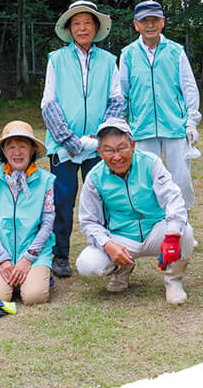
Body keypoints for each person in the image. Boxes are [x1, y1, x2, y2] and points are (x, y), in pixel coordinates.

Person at [40, 0, 124, 278]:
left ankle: (102, 251)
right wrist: (71, 140)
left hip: (98, 146)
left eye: (87, 22)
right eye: (76, 23)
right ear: (69, 28)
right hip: (63, 147)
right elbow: (49, 104)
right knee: (62, 201)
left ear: (96, 27)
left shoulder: (109, 61)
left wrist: (99, 136)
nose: (82, 28)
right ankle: (59, 255)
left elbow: (116, 100)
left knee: (101, 198)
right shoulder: (56, 59)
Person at [75, 118, 194, 305]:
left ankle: (173, 280)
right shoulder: (94, 178)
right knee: (87, 265)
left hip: (156, 229)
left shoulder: (151, 163)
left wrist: (171, 236)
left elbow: (173, 199)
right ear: (99, 152)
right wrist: (107, 244)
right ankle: (121, 269)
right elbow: (88, 222)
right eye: (109, 150)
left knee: (185, 233)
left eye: (122, 147)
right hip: (120, 236)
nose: (116, 156)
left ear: (133, 145)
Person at [118, 0, 201, 213]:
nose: (150, 25)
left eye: (155, 20)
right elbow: (122, 93)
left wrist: (191, 122)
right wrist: (121, 127)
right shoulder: (128, 54)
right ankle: (152, 227)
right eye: (145, 21)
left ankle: (182, 226)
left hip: (174, 127)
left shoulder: (176, 51)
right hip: (142, 129)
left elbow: (189, 88)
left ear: (163, 22)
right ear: (136, 25)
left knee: (180, 179)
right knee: (146, 180)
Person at [0, 121, 55, 305]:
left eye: (23, 146)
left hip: (33, 253)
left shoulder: (46, 181)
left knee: (34, 297)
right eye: (11, 147)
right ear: (3, 151)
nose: (17, 152)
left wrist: (28, 258)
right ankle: (14, 277)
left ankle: (39, 273)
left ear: (32, 150)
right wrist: (3, 259)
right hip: (2, 252)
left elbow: (47, 224)